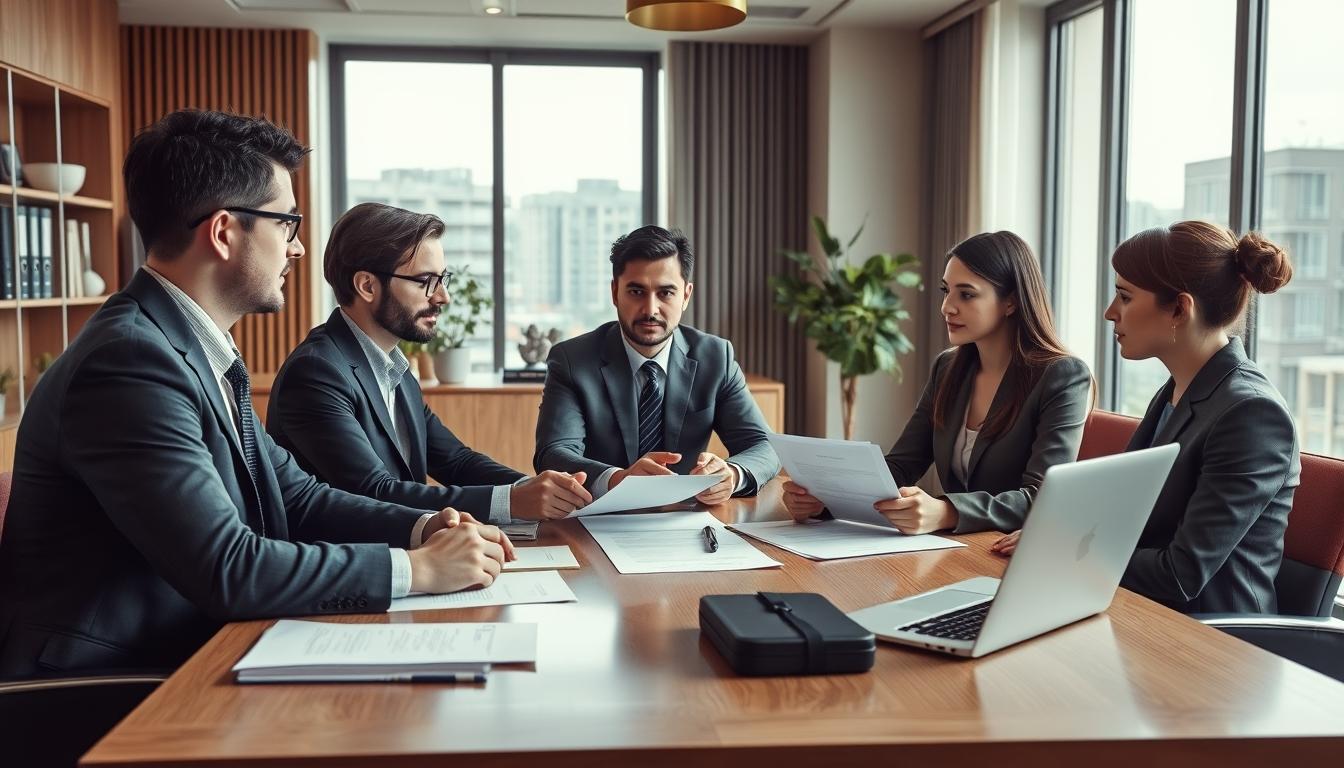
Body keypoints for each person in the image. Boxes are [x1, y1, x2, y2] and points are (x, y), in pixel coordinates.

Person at [0, 110, 513, 679]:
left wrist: (423, 528)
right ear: (223, 232)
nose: (298, 249)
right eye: (286, 224)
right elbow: (227, 567)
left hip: (192, 651)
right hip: (108, 683)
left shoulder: (192, 348)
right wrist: (417, 570)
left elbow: (299, 498)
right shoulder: (129, 363)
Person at [993, 222, 1299, 614]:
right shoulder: (1179, 389)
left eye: (1125, 296)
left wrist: (1061, 550)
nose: (1110, 312)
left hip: (1208, 634)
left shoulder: (1252, 414)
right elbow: (1134, 517)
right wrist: (1054, 536)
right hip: (1136, 606)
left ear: (1180, 308)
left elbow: (1181, 575)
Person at [268, 202, 592, 521]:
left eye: (442, 279)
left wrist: (537, 488)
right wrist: (512, 501)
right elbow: (374, 491)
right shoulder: (316, 372)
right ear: (367, 286)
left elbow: (456, 461)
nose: (442, 297)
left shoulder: (394, 369)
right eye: (426, 281)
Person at [784, 231, 1092, 534]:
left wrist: (947, 511)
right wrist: (824, 499)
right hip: (958, 548)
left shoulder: (1062, 375)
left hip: (1011, 551)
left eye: (966, 294)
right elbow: (902, 465)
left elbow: (1042, 498)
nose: (947, 307)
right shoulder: (948, 368)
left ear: (1010, 302)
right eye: (946, 291)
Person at [534, 225, 779, 505]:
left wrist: (732, 475)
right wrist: (618, 479)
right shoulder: (572, 360)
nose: (650, 309)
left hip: (686, 517)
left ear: (686, 295)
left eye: (666, 293)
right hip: (599, 514)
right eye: (636, 291)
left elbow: (765, 446)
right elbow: (553, 454)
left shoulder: (715, 357)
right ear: (615, 293)